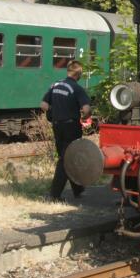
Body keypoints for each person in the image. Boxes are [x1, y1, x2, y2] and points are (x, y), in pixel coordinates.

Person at [40, 60, 91, 202]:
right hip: (71, 127)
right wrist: (85, 116)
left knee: (70, 157)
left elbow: (43, 105)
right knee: (66, 159)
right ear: (79, 74)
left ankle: (78, 190)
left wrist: (54, 111)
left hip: (57, 126)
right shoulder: (77, 88)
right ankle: (54, 195)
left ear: (68, 71)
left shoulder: (55, 85)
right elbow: (86, 109)